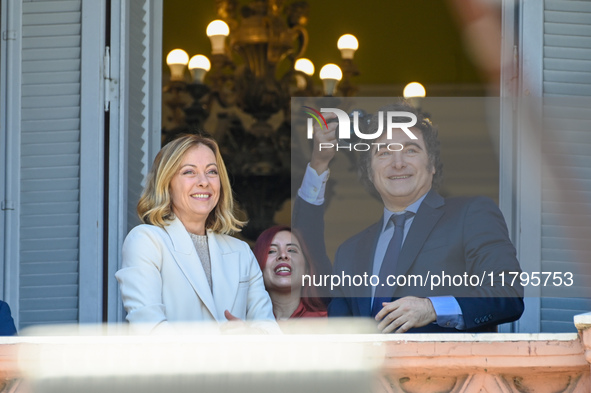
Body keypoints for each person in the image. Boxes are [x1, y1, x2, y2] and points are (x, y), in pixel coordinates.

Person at [294, 101, 524, 333]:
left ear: (431, 164)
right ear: (369, 171)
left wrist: (432, 307)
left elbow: (508, 294)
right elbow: (341, 338)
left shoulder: (471, 214)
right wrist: (319, 162)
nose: (398, 163)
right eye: (384, 153)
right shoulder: (350, 251)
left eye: (411, 150)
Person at [116, 134, 278, 334]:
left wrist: (249, 335)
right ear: (167, 184)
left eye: (211, 171)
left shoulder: (242, 251)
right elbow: (150, 331)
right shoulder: (146, 241)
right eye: (189, 172)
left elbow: (270, 334)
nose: (204, 182)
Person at [253, 226, 327, 320]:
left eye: (291, 250)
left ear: (307, 270)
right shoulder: (245, 323)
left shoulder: (328, 323)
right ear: (257, 268)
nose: (283, 255)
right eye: (271, 251)